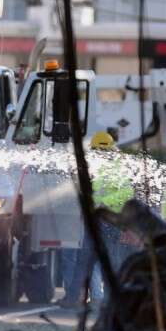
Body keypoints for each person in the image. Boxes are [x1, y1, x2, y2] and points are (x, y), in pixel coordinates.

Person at [58, 131, 134, 308]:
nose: (96, 153)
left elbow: (126, 194)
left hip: (110, 223)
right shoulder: (93, 166)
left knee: (111, 263)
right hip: (95, 222)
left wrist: (102, 202)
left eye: (98, 150)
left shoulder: (118, 168)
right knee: (83, 261)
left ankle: (110, 301)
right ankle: (73, 298)